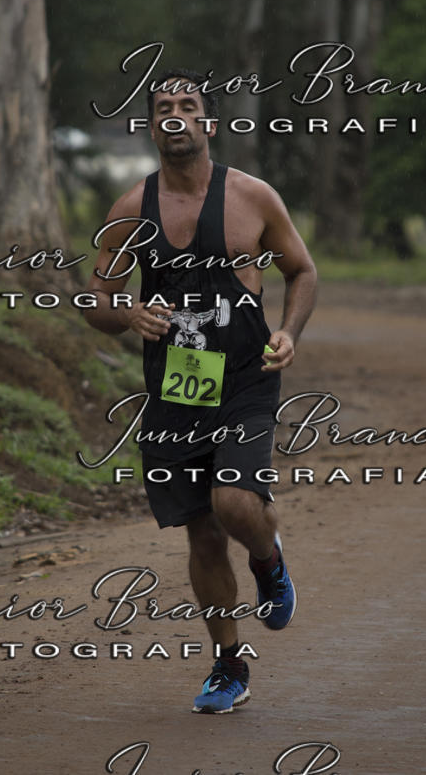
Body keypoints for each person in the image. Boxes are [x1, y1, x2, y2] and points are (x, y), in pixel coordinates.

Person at [83, 68, 317, 714]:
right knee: (203, 536)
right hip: (174, 391)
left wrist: (290, 332)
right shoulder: (131, 209)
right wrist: (128, 314)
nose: (176, 116)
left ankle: (268, 559)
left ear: (210, 124)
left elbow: (301, 269)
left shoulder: (252, 197)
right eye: (164, 108)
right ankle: (228, 665)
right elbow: (94, 300)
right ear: (151, 127)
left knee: (236, 505)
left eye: (189, 106)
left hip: (246, 378)